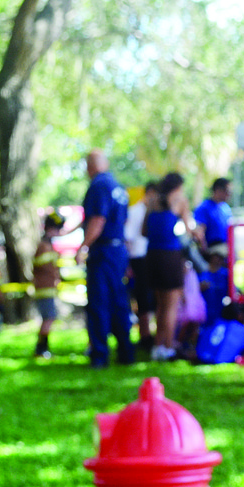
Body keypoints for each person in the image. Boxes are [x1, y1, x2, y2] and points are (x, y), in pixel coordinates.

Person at [75, 149, 135, 368]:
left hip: (103, 252)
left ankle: (100, 355)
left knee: (99, 303)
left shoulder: (99, 186)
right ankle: (126, 351)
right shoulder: (118, 187)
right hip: (118, 251)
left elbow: (98, 220)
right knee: (119, 301)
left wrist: (83, 247)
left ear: (89, 166)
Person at [144, 172, 193, 361]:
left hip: (153, 256)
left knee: (161, 305)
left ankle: (158, 347)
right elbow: (188, 232)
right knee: (171, 305)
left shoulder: (152, 201)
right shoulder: (180, 200)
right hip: (170, 256)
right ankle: (168, 346)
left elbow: (144, 231)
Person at [125, 180, 157, 352]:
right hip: (138, 260)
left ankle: (151, 335)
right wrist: (129, 264)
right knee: (143, 299)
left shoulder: (155, 212)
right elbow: (128, 239)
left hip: (152, 258)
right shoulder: (134, 211)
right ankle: (145, 336)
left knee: (153, 299)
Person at [32, 211, 65, 358]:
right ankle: (41, 349)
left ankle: (43, 348)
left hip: (49, 289)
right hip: (44, 290)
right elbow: (45, 267)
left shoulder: (48, 245)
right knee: (48, 318)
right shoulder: (44, 246)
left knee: (49, 319)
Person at [193, 177, 232, 255]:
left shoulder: (226, 208)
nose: (229, 194)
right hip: (213, 249)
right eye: (227, 191)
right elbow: (200, 233)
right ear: (218, 190)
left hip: (228, 247)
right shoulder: (204, 207)